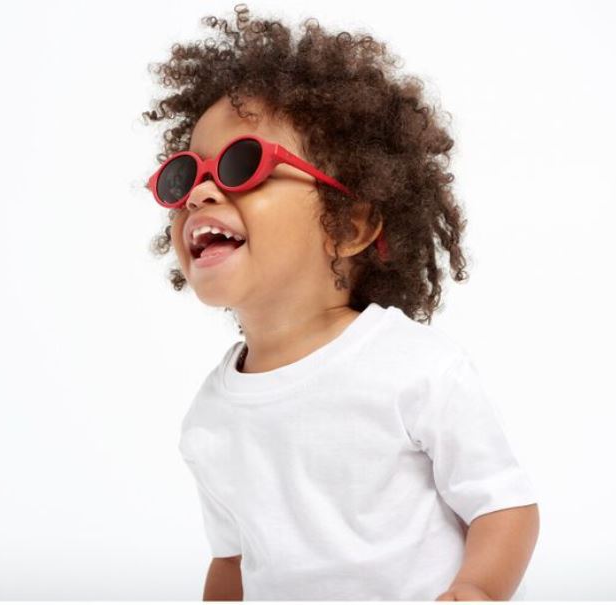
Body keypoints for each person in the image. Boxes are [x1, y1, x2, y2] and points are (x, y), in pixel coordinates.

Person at [142, 4, 539, 601]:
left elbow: (503, 507)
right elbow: (233, 562)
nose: (198, 194)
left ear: (348, 225)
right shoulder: (210, 418)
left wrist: (475, 591)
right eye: (183, 176)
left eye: (241, 165)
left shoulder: (415, 368)